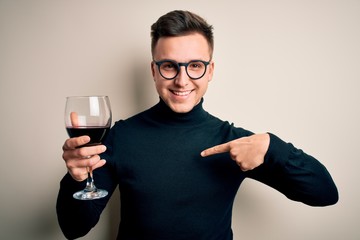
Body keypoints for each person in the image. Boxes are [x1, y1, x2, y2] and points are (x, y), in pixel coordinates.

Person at [57, 10, 338, 240]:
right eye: (169, 66)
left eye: (195, 66)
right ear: (154, 70)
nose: (182, 80)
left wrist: (271, 146)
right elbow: (73, 229)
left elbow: (325, 193)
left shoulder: (234, 142)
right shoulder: (121, 136)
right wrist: (77, 179)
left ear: (210, 71)